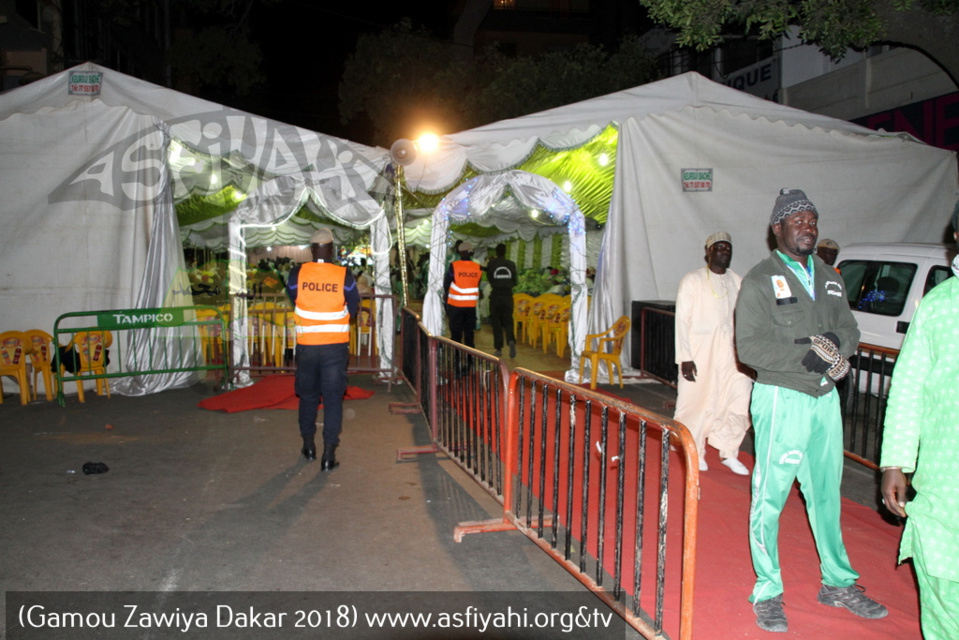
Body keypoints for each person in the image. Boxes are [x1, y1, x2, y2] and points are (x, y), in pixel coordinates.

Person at [735, 189, 887, 633]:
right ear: (777, 228)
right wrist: (809, 357)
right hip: (782, 397)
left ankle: (837, 583)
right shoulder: (760, 280)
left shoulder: (831, 276)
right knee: (770, 497)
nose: (808, 226)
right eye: (797, 219)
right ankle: (768, 590)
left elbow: (849, 327)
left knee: (825, 495)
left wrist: (839, 347)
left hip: (825, 401)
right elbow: (749, 347)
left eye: (813, 219)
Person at [879, 204, 959, 640]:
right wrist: (895, 461)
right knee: (945, 600)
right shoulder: (938, 305)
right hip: (946, 493)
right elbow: (908, 390)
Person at [673, 231, 752, 475]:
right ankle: (695, 450)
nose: (724, 252)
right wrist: (684, 356)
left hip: (731, 356)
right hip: (700, 353)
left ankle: (729, 451)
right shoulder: (693, 280)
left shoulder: (738, 281)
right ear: (708, 252)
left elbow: (746, 320)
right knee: (696, 402)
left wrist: (746, 355)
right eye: (719, 248)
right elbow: (682, 321)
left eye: (727, 248)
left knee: (738, 400)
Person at [285, 227, 359, 470]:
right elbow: (354, 307)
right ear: (332, 248)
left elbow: (293, 298)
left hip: (307, 348)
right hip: (334, 349)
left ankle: (308, 446)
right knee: (332, 400)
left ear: (311, 249)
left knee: (307, 397)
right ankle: (329, 455)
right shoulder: (344, 275)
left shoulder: (297, 273)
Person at [444, 241, 481, 347]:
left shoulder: (454, 266)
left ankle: (457, 358)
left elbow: (446, 284)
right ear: (471, 252)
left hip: (456, 306)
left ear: (460, 252)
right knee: (469, 334)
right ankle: (470, 359)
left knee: (456, 335)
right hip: (471, 306)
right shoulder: (478, 267)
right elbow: (476, 284)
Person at [485, 243, 518, 358]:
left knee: (496, 322)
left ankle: (498, 348)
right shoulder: (511, 264)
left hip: (496, 295)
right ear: (505, 252)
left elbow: (489, 278)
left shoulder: (492, 264)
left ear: (496, 252)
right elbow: (515, 281)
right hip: (508, 296)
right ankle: (510, 340)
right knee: (508, 320)